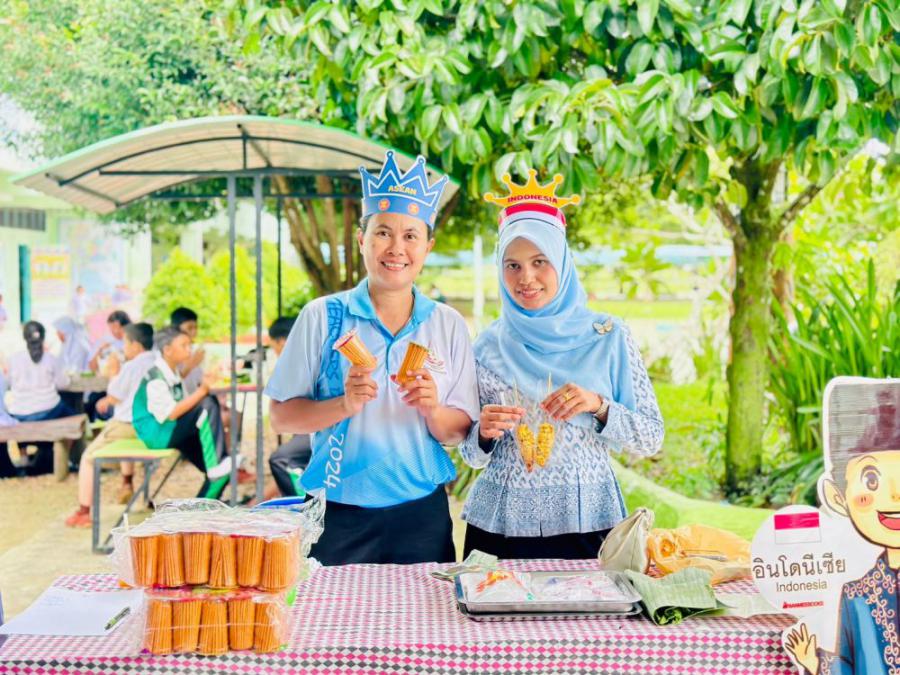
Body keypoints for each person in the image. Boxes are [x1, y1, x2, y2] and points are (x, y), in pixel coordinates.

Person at [266, 151, 479, 565]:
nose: (396, 248)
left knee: (424, 608)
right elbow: (281, 417)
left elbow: (457, 432)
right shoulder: (323, 317)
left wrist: (432, 409)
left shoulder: (447, 323)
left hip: (421, 514)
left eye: (411, 236)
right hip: (336, 512)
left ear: (428, 247)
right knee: (329, 609)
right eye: (383, 232)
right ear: (361, 239)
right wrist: (343, 405)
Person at [457, 170, 664, 560]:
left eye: (540, 261)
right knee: (491, 603)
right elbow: (470, 455)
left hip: (588, 519)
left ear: (562, 262)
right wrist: (482, 432)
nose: (526, 278)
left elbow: (651, 437)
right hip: (501, 526)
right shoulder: (486, 346)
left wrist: (599, 405)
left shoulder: (608, 336)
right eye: (512, 265)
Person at [786, 382, 900, 675]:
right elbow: (848, 664)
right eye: (871, 480)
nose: (895, 495)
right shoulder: (856, 595)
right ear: (838, 496)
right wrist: (815, 662)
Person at [131, 326, 248, 499]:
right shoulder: (155, 378)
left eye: (189, 345)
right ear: (167, 350)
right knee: (206, 403)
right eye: (184, 345)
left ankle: (203, 506)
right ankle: (217, 463)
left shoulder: (173, 372)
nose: (189, 349)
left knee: (225, 470)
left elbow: (185, 404)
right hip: (157, 434)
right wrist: (202, 390)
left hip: (169, 429)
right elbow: (171, 414)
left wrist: (204, 387)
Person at [64, 323, 156, 527]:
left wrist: (114, 372)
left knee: (88, 458)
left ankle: (84, 512)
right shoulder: (158, 362)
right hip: (151, 429)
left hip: (127, 425)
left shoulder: (132, 366)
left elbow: (115, 396)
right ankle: (127, 484)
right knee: (125, 443)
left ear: (136, 345)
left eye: (125, 343)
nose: (124, 348)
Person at [4, 321, 75, 475]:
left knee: (20, 416)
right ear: (43, 337)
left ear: (24, 338)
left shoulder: (13, 359)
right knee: (74, 416)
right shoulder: (51, 359)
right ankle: (66, 458)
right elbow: (63, 384)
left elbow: (7, 383)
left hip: (20, 413)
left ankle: (23, 459)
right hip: (49, 410)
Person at [265, 316, 311, 497]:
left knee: (282, 460)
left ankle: (306, 507)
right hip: (312, 425)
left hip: (321, 427)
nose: (275, 352)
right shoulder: (306, 356)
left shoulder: (299, 362)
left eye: (273, 347)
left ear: (282, 342)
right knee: (289, 459)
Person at [170, 307, 204, 394]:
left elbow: (198, 381)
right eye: (189, 328)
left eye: (196, 327)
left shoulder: (194, 351)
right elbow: (171, 384)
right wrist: (190, 365)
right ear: (176, 328)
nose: (194, 332)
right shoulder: (168, 352)